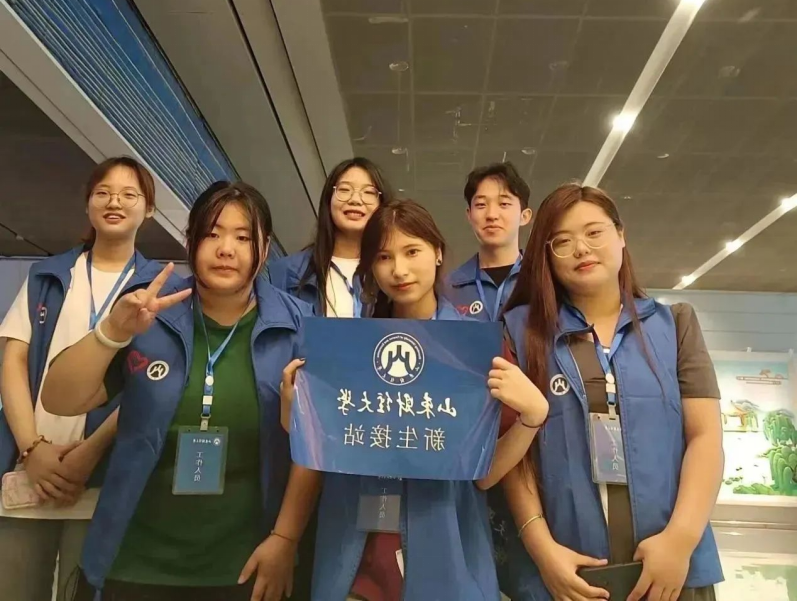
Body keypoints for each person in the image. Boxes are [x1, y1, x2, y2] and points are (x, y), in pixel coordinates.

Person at [40, 182, 319, 601]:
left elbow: (314, 449)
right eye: (212, 234)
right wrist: (111, 332)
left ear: (264, 249)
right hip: (135, 560)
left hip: (245, 563)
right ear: (191, 241)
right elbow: (59, 400)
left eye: (243, 238)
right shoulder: (150, 311)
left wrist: (285, 538)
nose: (226, 249)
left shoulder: (297, 326)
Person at [282, 199, 549, 600]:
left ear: (438, 252)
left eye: (412, 251)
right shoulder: (345, 349)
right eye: (383, 257)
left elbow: (484, 475)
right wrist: (295, 414)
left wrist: (532, 417)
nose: (399, 270)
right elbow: (321, 450)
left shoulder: (474, 348)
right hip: (355, 556)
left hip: (446, 552)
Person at [499, 184, 724, 601]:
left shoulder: (675, 326)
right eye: (562, 241)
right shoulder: (520, 333)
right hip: (568, 575)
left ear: (621, 235)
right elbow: (516, 455)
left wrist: (680, 540)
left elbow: (705, 437)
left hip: (670, 572)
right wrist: (541, 550)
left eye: (594, 232)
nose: (581, 249)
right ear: (547, 255)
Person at [0, 156, 164, 600]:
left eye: (129, 195)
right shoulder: (49, 274)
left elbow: (152, 385)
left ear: (149, 209)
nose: (114, 202)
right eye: (103, 193)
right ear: (88, 203)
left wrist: (89, 454)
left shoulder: (157, 288)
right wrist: (31, 449)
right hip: (28, 475)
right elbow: (13, 361)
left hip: (102, 481)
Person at [268, 157, 393, 317]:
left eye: (368, 192)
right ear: (328, 200)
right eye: (344, 190)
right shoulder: (285, 273)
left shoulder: (394, 272)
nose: (355, 200)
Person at [447, 162, 532, 321]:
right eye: (481, 205)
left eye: (504, 204)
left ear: (524, 216)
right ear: (469, 215)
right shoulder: (449, 288)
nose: (492, 215)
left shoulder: (543, 280)